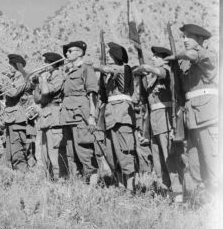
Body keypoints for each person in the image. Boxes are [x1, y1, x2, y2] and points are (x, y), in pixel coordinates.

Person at [166, 24, 218, 201]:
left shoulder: (208, 55)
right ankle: (202, 199)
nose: (184, 40)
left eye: (188, 36)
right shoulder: (185, 63)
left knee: (212, 159)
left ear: (201, 39)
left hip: (207, 116)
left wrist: (175, 56)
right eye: (183, 37)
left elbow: (192, 54)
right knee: (194, 161)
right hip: (191, 117)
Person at [134, 46, 184, 198]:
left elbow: (159, 72)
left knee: (170, 159)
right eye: (153, 56)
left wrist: (145, 67)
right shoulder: (152, 80)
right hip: (154, 122)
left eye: (156, 56)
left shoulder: (167, 72)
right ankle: (165, 191)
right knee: (158, 161)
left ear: (164, 59)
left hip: (165, 120)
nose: (153, 58)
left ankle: (178, 192)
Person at [93, 42, 137, 191]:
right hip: (109, 116)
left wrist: (93, 66)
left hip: (122, 115)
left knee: (125, 152)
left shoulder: (123, 68)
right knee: (111, 153)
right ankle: (120, 185)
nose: (107, 57)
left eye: (110, 54)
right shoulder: (108, 74)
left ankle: (130, 188)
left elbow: (109, 69)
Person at [59, 40, 99, 184]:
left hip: (81, 113)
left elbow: (92, 94)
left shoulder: (86, 69)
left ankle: (93, 183)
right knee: (71, 150)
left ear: (80, 53)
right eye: (67, 51)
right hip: (67, 114)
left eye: (70, 51)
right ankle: (79, 182)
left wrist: (92, 116)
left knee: (84, 148)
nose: (67, 53)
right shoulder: (68, 71)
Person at [36, 52, 67, 180]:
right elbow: (37, 99)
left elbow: (46, 91)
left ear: (53, 63)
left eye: (46, 62)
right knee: (44, 150)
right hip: (45, 115)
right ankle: (49, 177)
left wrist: (43, 80)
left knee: (54, 149)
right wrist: (36, 84)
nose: (44, 65)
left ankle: (60, 178)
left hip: (54, 114)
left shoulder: (58, 75)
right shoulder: (48, 76)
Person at [2, 54, 35, 171]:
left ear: (16, 65)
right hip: (10, 117)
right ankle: (16, 172)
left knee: (17, 147)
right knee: (10, 148)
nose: (8, 68)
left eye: (11, 65)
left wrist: (3, 81)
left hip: (17, 117)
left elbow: (13, 93)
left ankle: (22, 171)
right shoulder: (13, 79)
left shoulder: (21, 78)